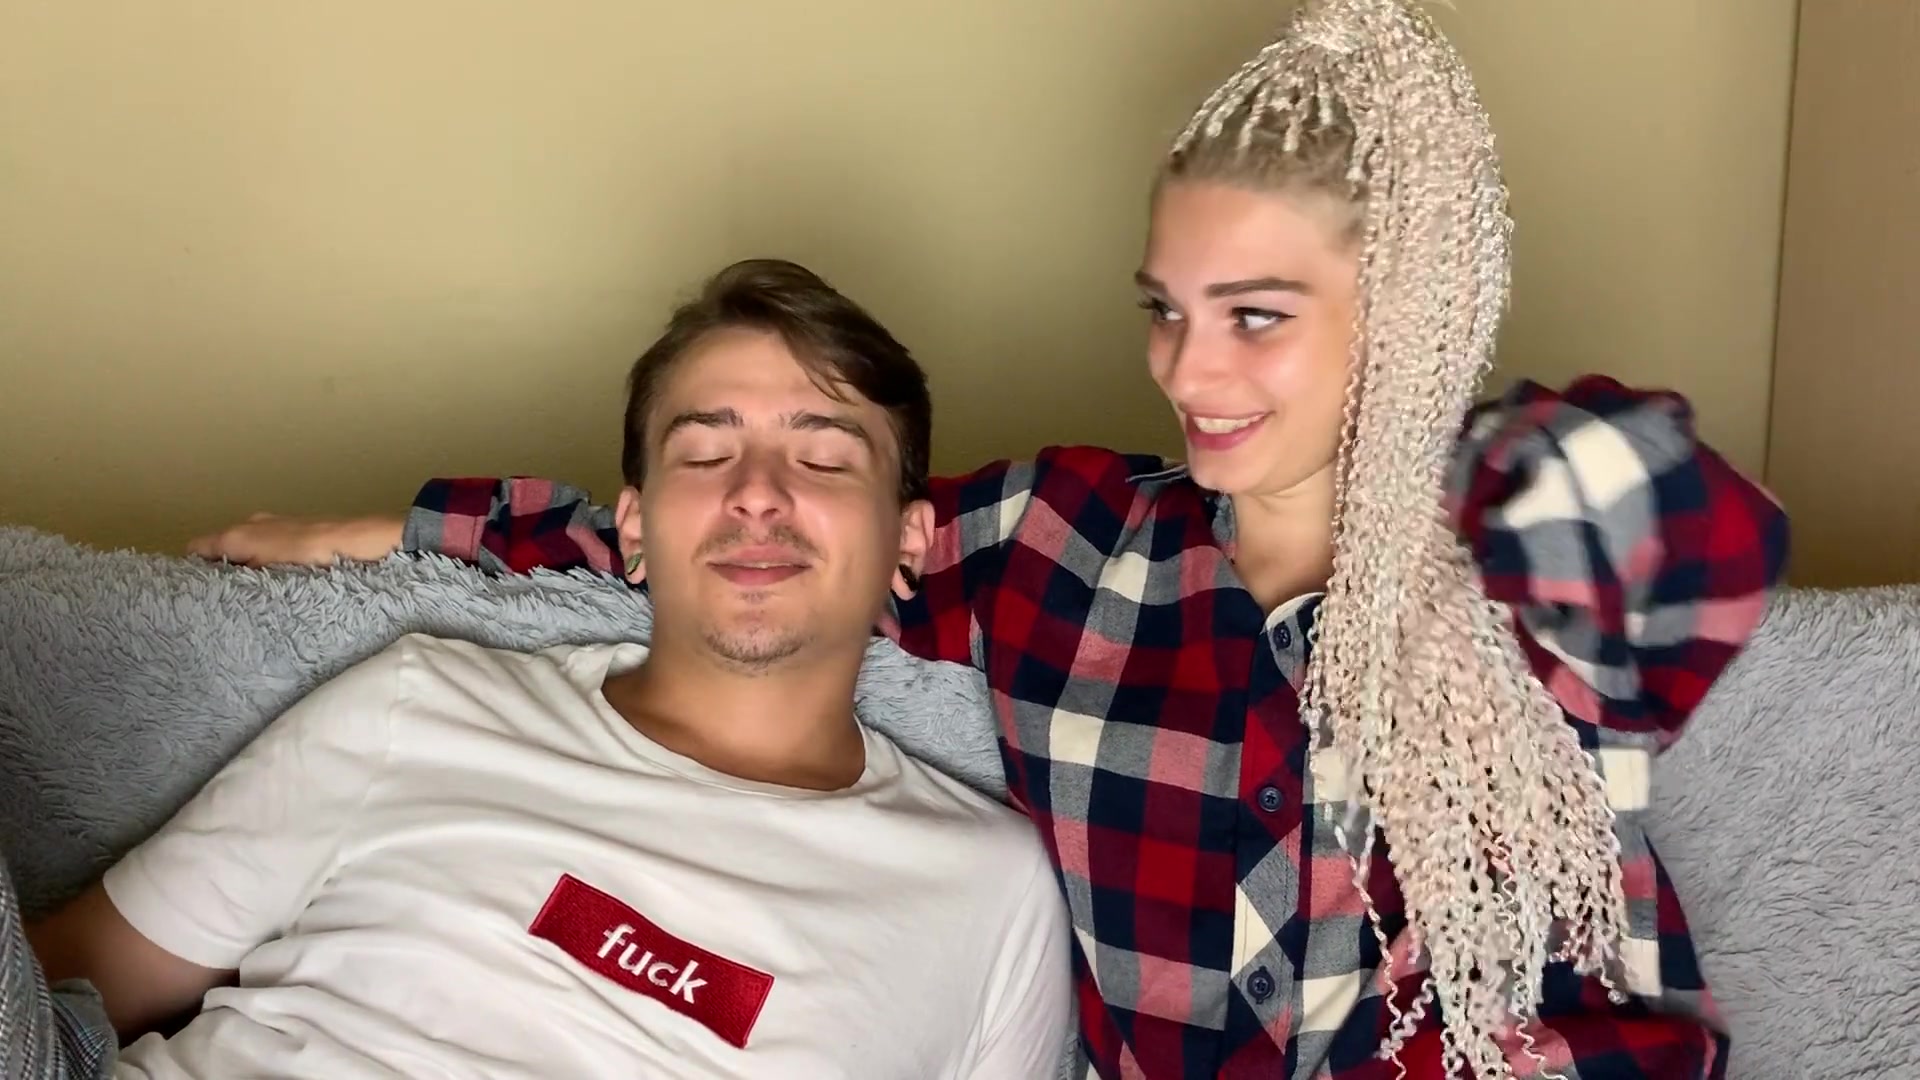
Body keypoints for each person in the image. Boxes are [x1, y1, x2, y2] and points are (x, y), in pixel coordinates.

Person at [192, 1, 1790, 1077]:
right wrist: (394, 529)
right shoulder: (1063, 547)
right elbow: (770, 526)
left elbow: (1709, 535)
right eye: (1165, 310)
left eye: (1256, 316)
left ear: (1407, 304)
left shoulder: (1535, 547)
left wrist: (1433, 455)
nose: (1189, 374)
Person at [19, 259, 1073, 1079]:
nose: (757, 492)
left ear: (908, 543)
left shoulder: (988, 888)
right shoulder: (424, 701)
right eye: (706, 452)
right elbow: (59, 984)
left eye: (824, 455)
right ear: (635, 530)